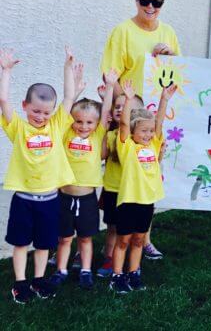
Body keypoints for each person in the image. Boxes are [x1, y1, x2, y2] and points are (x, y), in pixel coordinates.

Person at [101, 0, 180, 256]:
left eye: (157, 3)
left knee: (149, 174)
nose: (150, 7)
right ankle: (116, 240)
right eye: (145, 0)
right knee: (122, 178)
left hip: (153, 120)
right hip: (128, 118)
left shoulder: (168, 33)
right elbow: (110, 74)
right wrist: (126, 106)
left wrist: (170, 56)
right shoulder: (122, 32)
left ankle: (144, 239)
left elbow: (178, 74)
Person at [0, 47, 77, 303]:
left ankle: (39, 280)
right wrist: (6, 71)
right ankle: (21, 282)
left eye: (46, 112)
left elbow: (68, 98)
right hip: (24, 200)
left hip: (49, 200)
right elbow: (3, 101)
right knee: (21, 243)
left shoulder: (56, 125)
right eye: (35, 111)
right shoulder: (18, 128)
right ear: (25, 106)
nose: (40, 117)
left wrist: (67, 68)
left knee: (44, 244)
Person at [49, 69, 117, 289]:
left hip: (87, 199)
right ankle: (61, 270)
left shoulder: (97, 136)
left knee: (85, 238)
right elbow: (66, 110)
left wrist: (110, 88)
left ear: (96, 124)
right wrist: (75, 91)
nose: (84, 126)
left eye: (89, 122)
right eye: (79, 121)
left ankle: (86, 271)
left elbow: (105, 111)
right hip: (64, 197)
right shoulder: (66, 133)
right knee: (64, 238)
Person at [109, 80, 176, 293]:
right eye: (143, 131)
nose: (148, 135)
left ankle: (134, 272)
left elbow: (159, 123)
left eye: (150, 131)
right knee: (123, 240)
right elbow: (123, 125)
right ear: (133, 132)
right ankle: (117, 276)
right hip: (129, 201)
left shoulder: (153, 144)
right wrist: (128, 100)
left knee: (138, 239)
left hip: (146, 202)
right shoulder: (127, 147)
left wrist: (164, 99)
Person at [96, 91, 146, 277]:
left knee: (133, 231)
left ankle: (133, 263)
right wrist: (103, 130)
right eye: (117, 106)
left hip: (134, 193)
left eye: (125, 107)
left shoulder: (142, 138)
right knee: (113, 228)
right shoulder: (111, 135)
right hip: (113, 189)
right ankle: (110, 259)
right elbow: (101, 155)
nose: (120, 109)